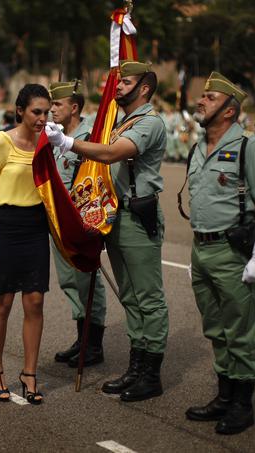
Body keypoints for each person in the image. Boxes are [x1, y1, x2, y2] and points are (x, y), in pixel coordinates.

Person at [46, 60, 169, 402]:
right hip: (116, 215)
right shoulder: (119, 123)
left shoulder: (149, 122)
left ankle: (151, 373)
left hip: (137, 215)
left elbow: (114, 154)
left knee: (149, 297)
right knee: (129, 295)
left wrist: (70, 144)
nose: (118, 86)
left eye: (126, 81)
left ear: (144, 88)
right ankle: (136, 365)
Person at [184, 72, 255, 435]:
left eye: (209, 97)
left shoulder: (249, 147)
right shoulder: (198, 148)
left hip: (231, 251)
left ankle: (242, 404)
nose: (200, 100)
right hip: (201, 249)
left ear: (229, 110)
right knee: (214, 327)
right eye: (203, 95)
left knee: (238, 329)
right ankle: (224, 395)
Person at [0, 84, 51, 405]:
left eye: (46, 112)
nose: (42, 118)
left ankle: (29, 374)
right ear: (20, 111)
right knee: (3, 302)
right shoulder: (1, 142)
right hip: (4, 226)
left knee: (35, 303)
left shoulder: (48, 143)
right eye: (36, 112)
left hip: (35, 228)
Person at [48, 80, 107, 368]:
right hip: (60, 222)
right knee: (70, 282)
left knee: (86, 281)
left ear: (74, 107)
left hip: (81, 221)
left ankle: (93, 345)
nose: (51, 110)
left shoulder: (90, 136)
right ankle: (81, 338)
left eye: (57, 104)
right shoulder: (55, 135)